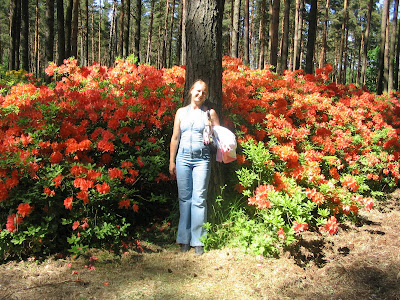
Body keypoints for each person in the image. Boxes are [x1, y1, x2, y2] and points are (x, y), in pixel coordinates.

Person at [169, 80, 220, 255]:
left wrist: (212, 132)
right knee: (184, 199)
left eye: (204, 92)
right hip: (182, 158)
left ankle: (198, 240)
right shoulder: (181, 112)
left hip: (202, 160)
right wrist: (171, 161)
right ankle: (184, 238)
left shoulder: (209, 113)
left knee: (199, 199)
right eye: (198, 91)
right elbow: (175, 138)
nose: (200, 94)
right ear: (191, 91)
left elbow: (220, 137)